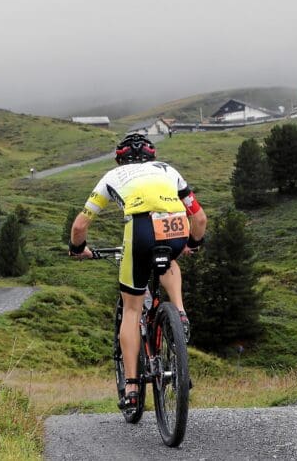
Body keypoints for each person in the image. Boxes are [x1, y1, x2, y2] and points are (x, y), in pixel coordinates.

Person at [67, 133, 207, 411]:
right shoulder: (169, 170)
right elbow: (200, 218)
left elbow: (80, 226)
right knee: (169, 260)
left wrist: (77, 248)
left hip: (141, 229)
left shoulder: (112, 176)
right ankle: (179, 311)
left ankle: (131, 387)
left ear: (120, 160)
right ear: (152, 156)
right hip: (176, 225)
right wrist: (193, 243)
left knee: (131, 310)